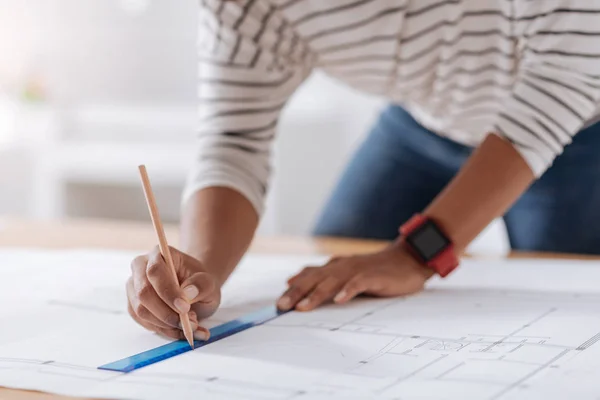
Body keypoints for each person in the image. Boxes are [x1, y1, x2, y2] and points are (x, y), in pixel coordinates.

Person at [126, 0, 600, 341]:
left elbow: (559, 80)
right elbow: (234, 140)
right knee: (333, 278)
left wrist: (416, 256)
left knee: (566, 306)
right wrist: (201, 273)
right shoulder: (245, 8)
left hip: (573, 128)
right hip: (421, 122)